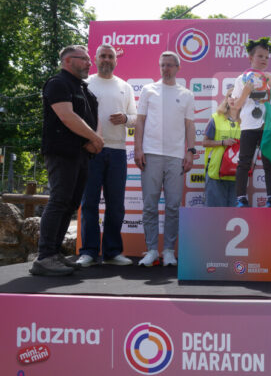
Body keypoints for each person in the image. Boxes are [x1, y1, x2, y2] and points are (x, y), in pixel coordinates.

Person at [30, 45, 104, 276]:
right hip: (61, 152)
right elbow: (66, 116)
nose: (89, 63)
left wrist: (95, 140)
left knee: (71, 204)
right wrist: (94, 138)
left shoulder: (84, 88)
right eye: (84, 59)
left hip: (81, 154)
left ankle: (54, 253)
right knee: (59, 200)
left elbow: (93, 118)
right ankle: (44, 257)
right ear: (68, 61)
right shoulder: (57, 83)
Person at [76, 43, 137, 267]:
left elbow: (135, 118)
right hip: (90, 150)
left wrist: (125, 118)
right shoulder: (85, 83)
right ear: (95, 59)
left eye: (110, 56)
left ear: (116, 60)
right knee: (89, 203)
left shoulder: (125, 86)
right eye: (103, 56)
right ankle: (89, 252)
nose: (106, 60)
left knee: (116, 205)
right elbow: (75, 114)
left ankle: (112, 252)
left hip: (118, 151)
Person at [134, 51, 195, 267]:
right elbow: (140, 121)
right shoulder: (148, 90)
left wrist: (190, 151)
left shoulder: (186, 94)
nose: (166, 69)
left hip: (175, 156)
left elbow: (189, 125)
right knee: (150, 205)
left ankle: (169, 250)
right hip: (150, 154)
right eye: (163, 65)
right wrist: (138, 149)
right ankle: (151, 250)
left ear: (178, 68)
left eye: (170, 65)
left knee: (173, 206)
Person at [232, 37, 271, 208]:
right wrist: (246, 91)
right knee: (244, 162)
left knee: (270, 163)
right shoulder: (241, 79)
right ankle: (241, 198)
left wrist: (270, 86)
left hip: (267, 126)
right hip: (248, 125)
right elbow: (236, 106)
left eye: (267, 57)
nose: (264, 60)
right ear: (250, 58)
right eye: (260, 56)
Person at [202, 88, 240, 207]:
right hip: (216, 174)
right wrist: (223, 142)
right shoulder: (216, 118)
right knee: (215, 215)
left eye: (237, 96)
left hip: (237, 176)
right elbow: (205, 142)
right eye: (230, 96)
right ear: (226, 99)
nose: (233, 99)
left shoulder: (247, 121)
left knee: (235, 215)